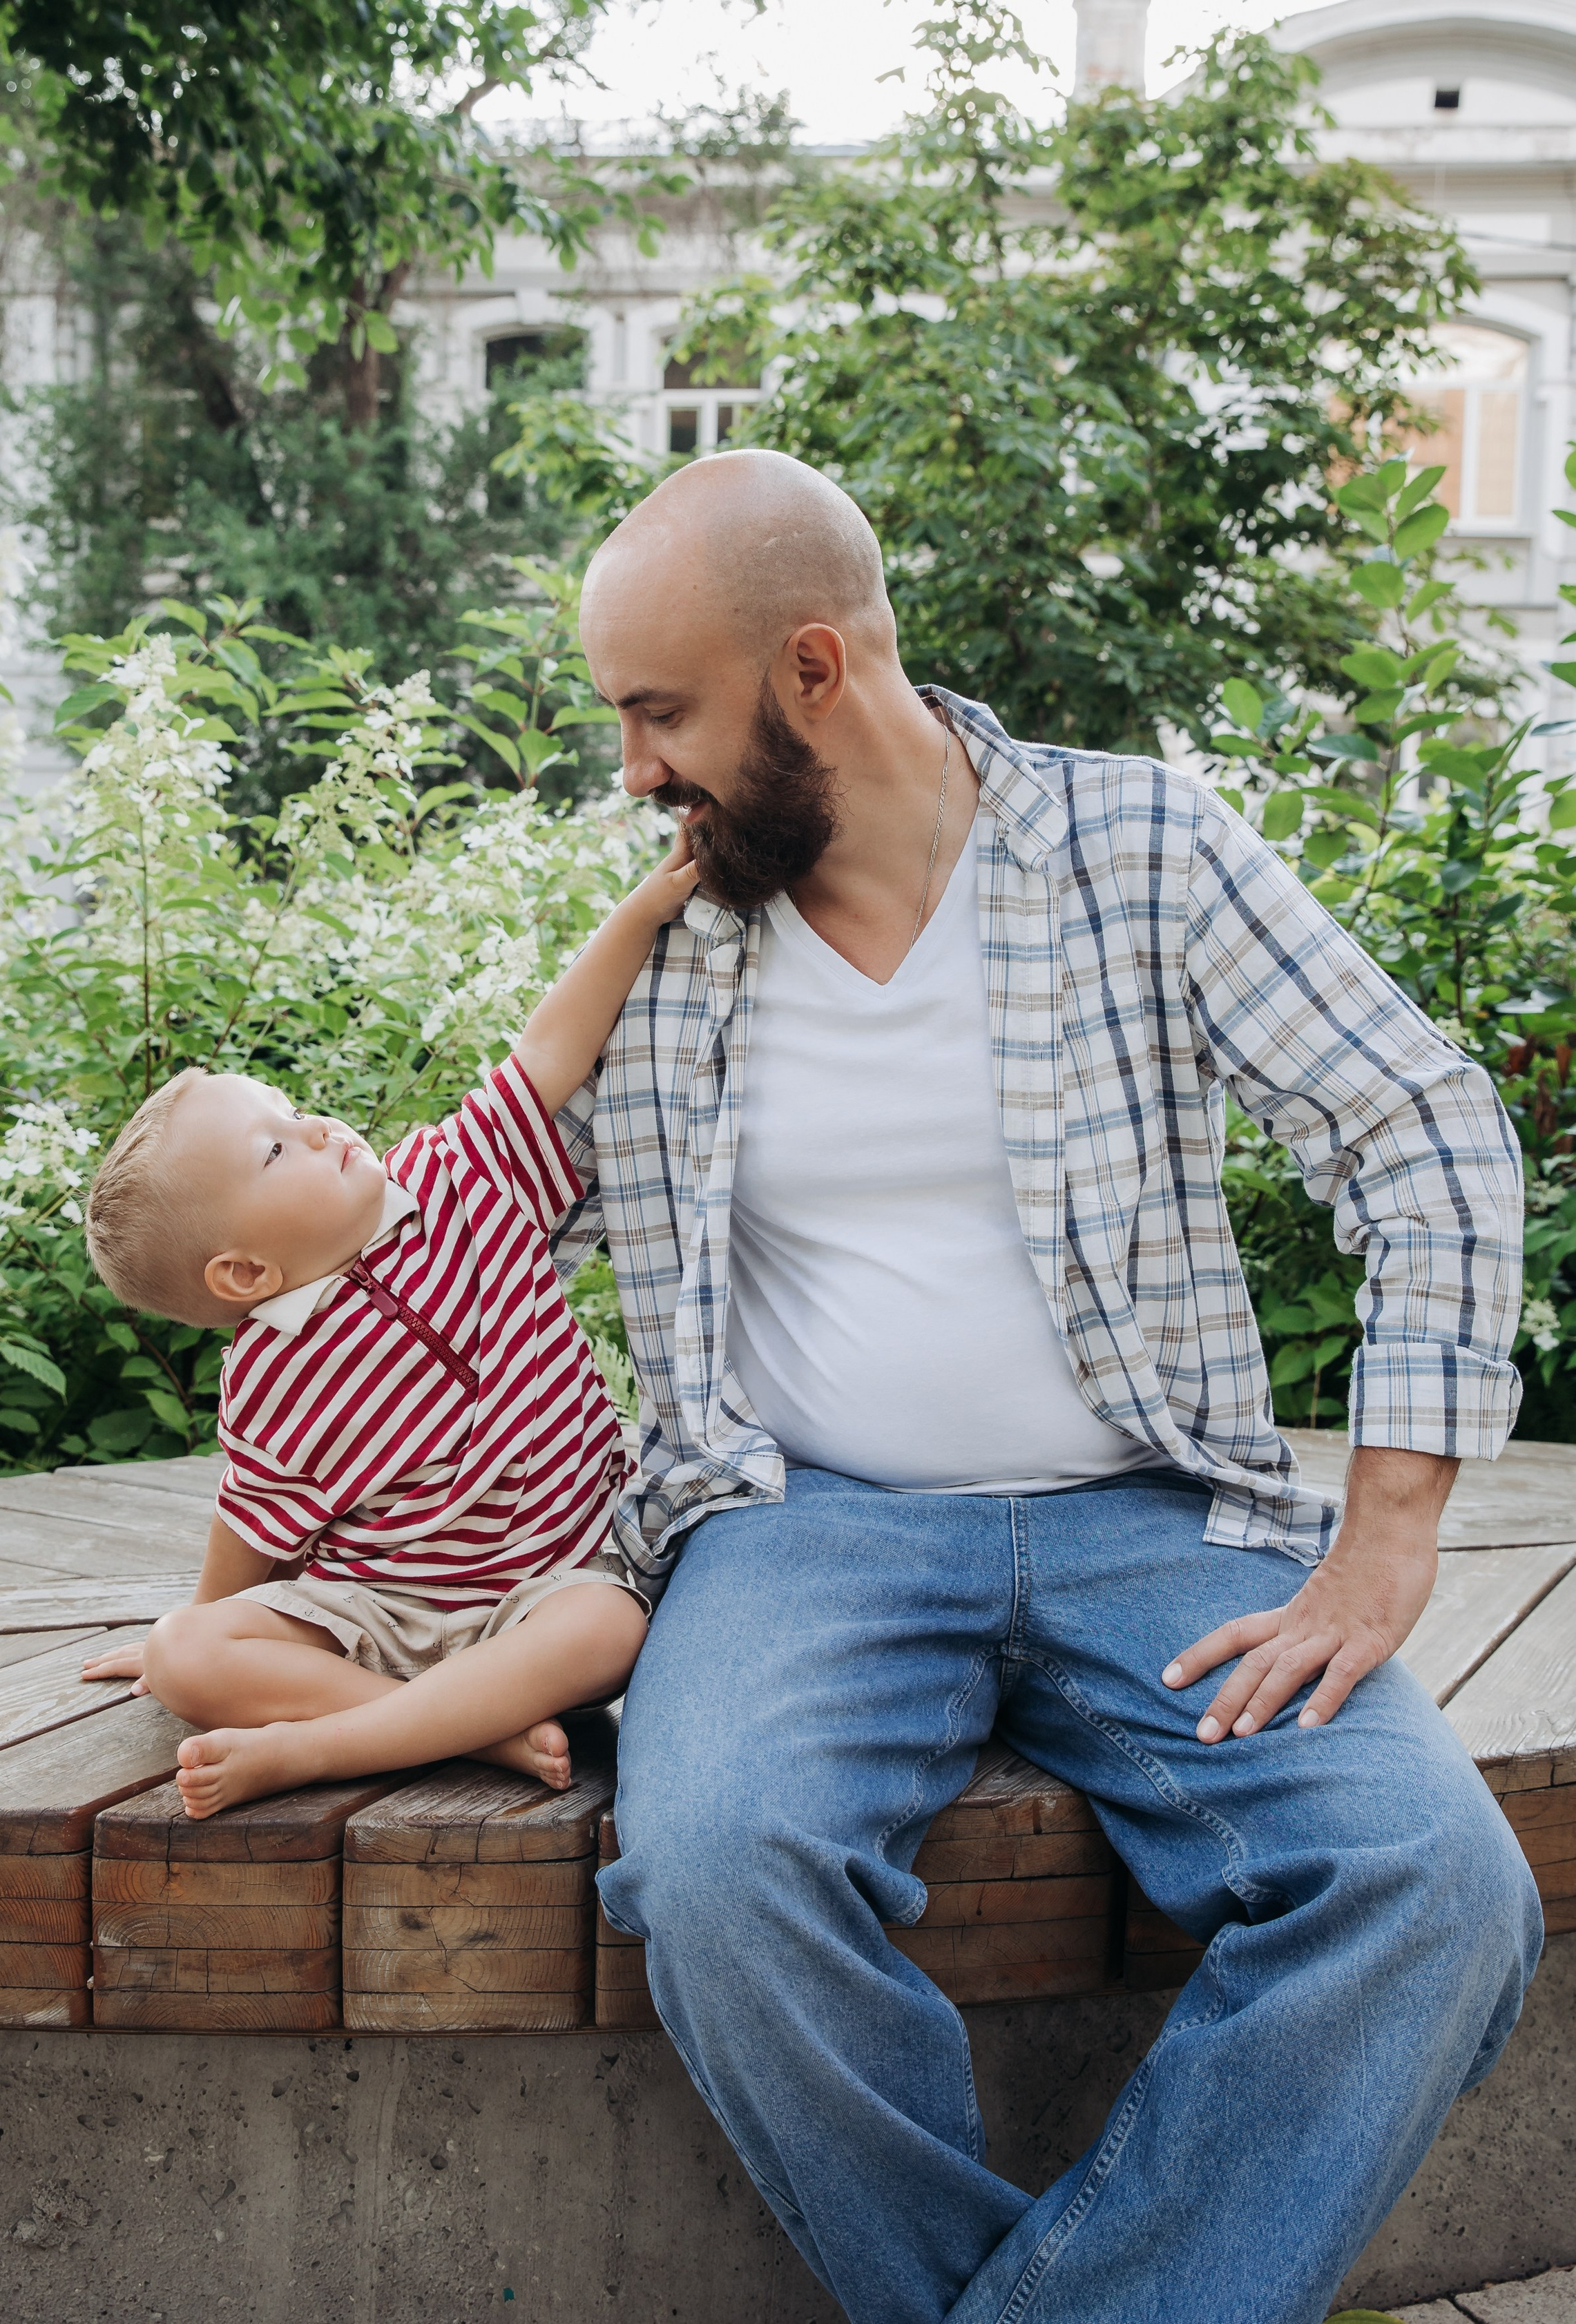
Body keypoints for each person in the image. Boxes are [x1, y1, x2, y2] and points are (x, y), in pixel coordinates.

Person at [551, 448, 1540, 2324]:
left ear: (813, 670)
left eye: (660, 713)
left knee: (1434, 1887)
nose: (633, 771)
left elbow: (1421, 1129)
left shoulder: (1138, 848)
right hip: (798, 1530)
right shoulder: (673, 935)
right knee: (718, 1871)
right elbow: (480, 1213)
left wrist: (1387, 1534)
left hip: (1149, 1521)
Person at [75, 839, 695, 1818]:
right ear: (247, 1273)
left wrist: (640, 911)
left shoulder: (458, 1174)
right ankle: (471, 1728)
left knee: (612, 1630)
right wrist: (195, 1635)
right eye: (277, 1149)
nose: (318, 1127)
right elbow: (252, 1524)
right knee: (184, 1654)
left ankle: (325, 1745)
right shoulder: (273, 1377)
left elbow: (547, 1052)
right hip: (388, 1615)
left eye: (294, 1110)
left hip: (550, 1587)